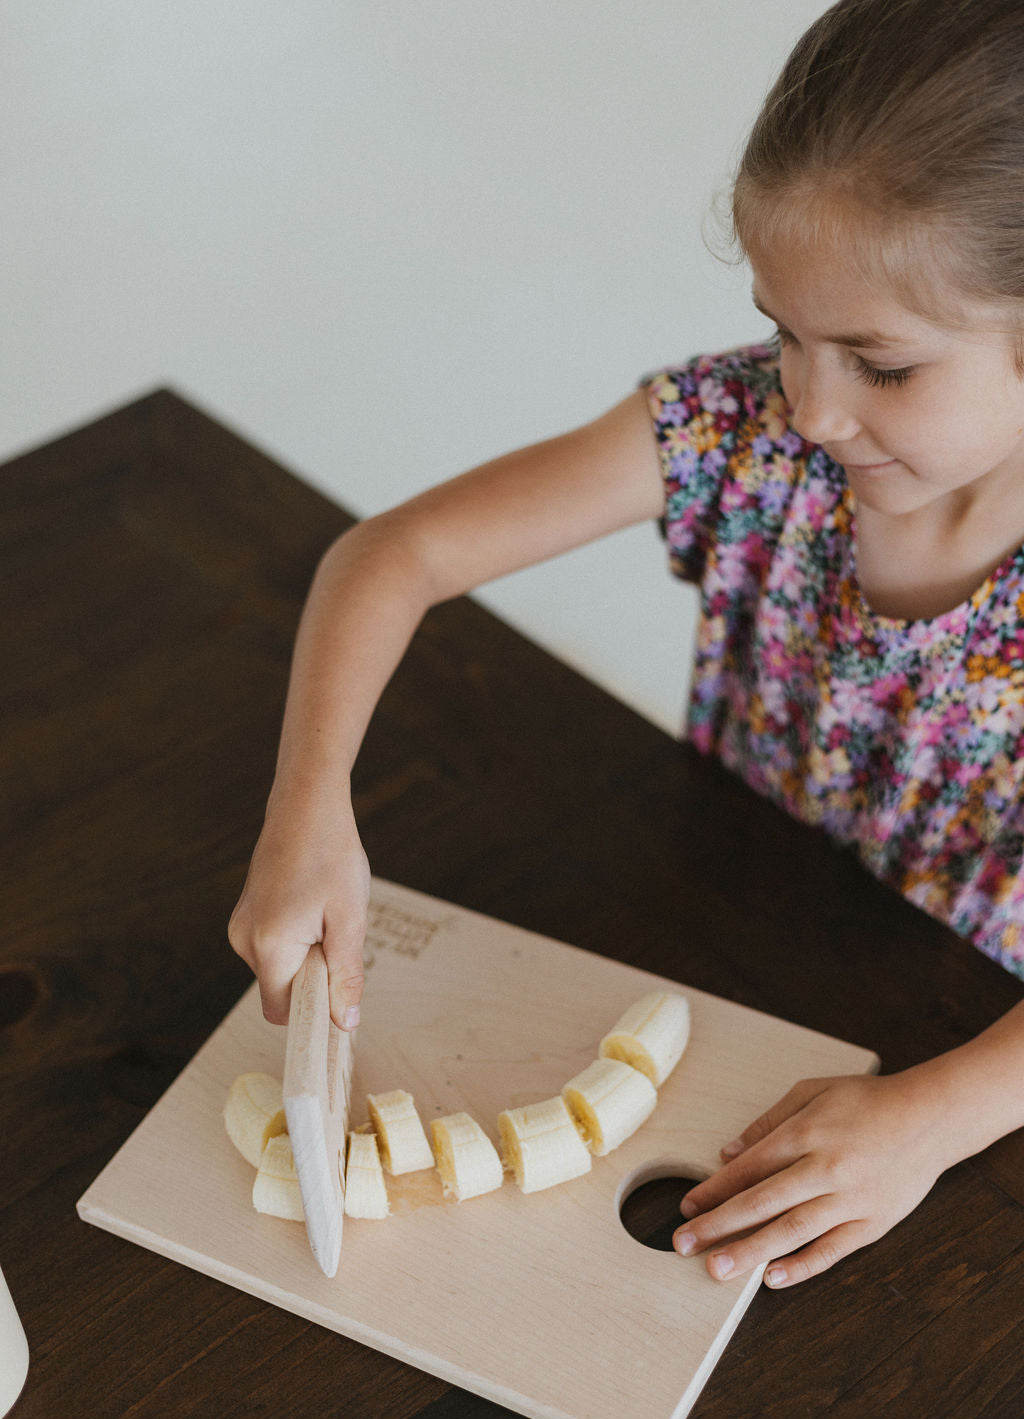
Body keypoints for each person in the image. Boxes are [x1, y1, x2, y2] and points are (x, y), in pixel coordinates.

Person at [229, 0, 1024, 1290]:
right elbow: (392, 554)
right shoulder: (737, 426)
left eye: (880, 367)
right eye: (785, 333)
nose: (811, 409)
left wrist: (935, 1119)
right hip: (718, 908)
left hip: (974, 1031)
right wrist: (307, 805)